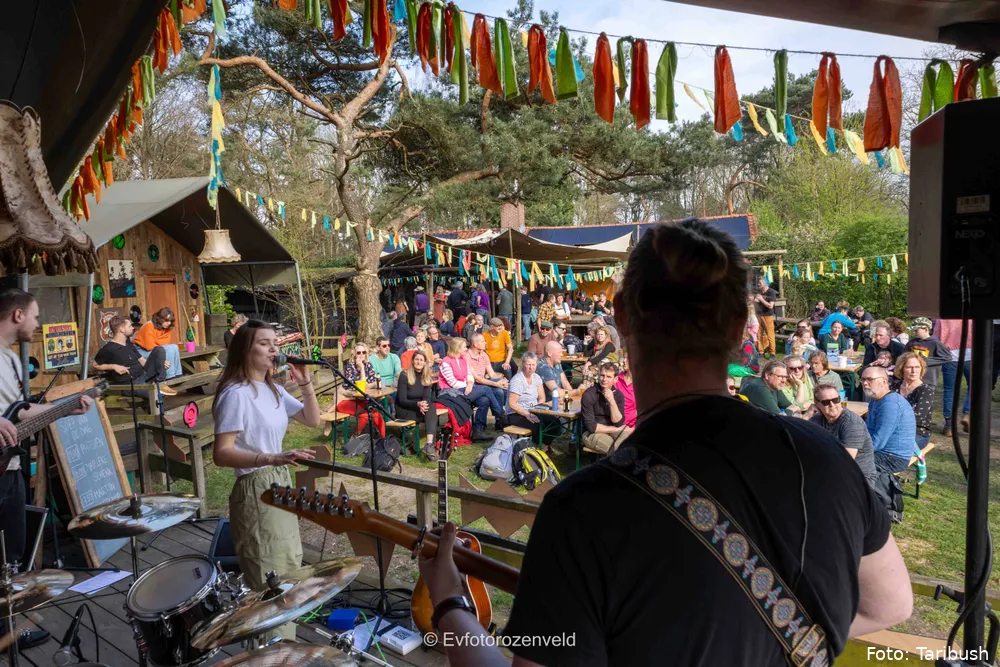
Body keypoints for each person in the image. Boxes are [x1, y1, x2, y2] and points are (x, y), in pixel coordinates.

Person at [417, 218, 909, 666]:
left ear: (621, 317)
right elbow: (891, 603)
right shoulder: (826, 457)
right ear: (740, 327)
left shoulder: (582, 511)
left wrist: (450, 602)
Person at [212, 319, 320, 641]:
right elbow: (221, 454)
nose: (274, 349)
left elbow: (313, 420)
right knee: (269, 573)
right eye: (264, 343)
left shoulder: (274, 390)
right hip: (255, 484)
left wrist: (305, 382)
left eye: (275, 342)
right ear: (245, 350)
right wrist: (269, 457)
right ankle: (270, 650)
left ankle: (283, 647)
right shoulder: (236, 394)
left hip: (279, 480)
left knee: (289, 564)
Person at [0, 289, 92, 650]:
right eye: (36, 316)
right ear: (18, 315)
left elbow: (19, 412)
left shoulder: (11, 360)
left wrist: (67, 408)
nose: (38, 324)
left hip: (9, 469)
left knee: (11, 555)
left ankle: (6, 629)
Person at [810, 384, 878, 487]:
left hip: (858, 478)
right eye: (826, 402)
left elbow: (845, 461)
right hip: (831, 471)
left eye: (836, 400)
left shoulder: (852, 423)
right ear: (817, 404)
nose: (832, 405)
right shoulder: (817, 419)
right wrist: (808, 414)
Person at [92, 315, 178, 396]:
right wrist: (114, 366)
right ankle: (158, 389)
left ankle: (161, 383)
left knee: (159, 349)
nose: (133, 328)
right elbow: (95, 365)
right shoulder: (108, 348)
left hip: (144, 375)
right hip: (131, 384)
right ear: (122, 329)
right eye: (129, 326)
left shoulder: (128, 343)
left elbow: (142, 360)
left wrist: (160, 364)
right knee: (156, 394)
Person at [861, 366, 916, 474]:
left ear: (884, 381)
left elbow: (878, 442)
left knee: (846, 463)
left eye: (870, 379)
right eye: (863, 379)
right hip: (881, 452)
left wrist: (853, 450)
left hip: (893, 458)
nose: (865, 383)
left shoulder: (890, 404)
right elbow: (868, 431)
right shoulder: (875, 399)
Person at [439, 337, 493, 440]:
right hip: (451, 393)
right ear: (457, 348)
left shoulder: (463, 359)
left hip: (465, 389)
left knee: (484, 400)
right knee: (486, 389)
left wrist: (470, 384)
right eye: (464, 347)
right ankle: (500, 414)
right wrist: (467, 385)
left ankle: (478, 430)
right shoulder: (445, 362)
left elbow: (469, 375)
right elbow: (453, 383)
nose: (466, 349)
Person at [505, 353, 560, 449]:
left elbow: (542, 398)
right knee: (539, 426)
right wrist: (527, 414)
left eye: (533, 365)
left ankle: (544, 446)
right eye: (528, 365)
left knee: (556, 423)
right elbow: (512, 404)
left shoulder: (536, 377)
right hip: (516, 413)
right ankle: (534, 448)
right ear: (523, 364)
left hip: (533, 410)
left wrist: (537, 410)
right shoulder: (517, 380)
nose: (531, 367)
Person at [395, 350, 443, 459]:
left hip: (419, 407)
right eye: (416, 359)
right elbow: (402, 400)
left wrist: (423, 404)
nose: (419, 362)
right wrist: (418, 404)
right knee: (431, 412)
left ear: (425, 362)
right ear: (412, 361)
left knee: (431, 407)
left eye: (421, 360)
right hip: (405, 409)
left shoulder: (426, 376)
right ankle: (430, 448)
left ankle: (429, 444)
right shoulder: (404, 375)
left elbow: (426, 397)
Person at [580, 363, 632, 454]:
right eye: (602, 375)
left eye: (609, 377)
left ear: (615, 379)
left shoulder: (619, 395)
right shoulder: (589, 394)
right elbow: (591, 427)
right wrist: (617, 429)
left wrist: (611, 401)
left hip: (612, 429)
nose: (604, 379)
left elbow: (618, 422)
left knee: (629, 440)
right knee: (617, 448)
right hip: (592, 433)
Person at [465, 334, 508, 437]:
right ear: (475, 344)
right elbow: (477, 379)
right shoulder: (467, 357)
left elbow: (491, 374)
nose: (485, 343)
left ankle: (499, 420)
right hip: (472, 385)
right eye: (483, 341)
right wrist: (496, 384)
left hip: (483, 383)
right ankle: (500, 417)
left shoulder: (484, 355)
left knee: (503, 388)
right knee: (496, 391)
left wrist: (501, 381)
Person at [339, 343, 385, 438]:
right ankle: (355, 436)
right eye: (358, 352)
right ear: (354, 354)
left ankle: (383, 440)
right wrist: (362, 370)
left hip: (361, 400)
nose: (361, 355)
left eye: (363, 352)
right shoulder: (350, 367)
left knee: (377, 415)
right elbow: (361, 388)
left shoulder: (368, 364)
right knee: (365, 415)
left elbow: (373, 383)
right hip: (346, 400)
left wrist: (367, 384)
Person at [935, 319, 972, 436]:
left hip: (949, 356)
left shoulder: (944, 318)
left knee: (949, 390)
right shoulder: (972, 316)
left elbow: (936, 337)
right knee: (975, 386)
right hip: (970, 355)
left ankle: (949, 426)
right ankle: (967, 413)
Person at [894, 352, 934, 449]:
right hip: (892, 429)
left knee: (892, 446)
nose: (914, 371)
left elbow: (917, 418)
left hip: (917, 433)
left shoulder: (925, 391)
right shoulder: (894, 387)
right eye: (909, 367)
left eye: (917, 367)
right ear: (901, 368)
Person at [132, 307, 181, 379]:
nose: (169, 323)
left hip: (156, 350)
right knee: (168, 349)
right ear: (160, 318)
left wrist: (157, 342)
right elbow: (149, 346)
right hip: (141, 351)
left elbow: (165, 344)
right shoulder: (149, 325)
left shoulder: (167, 328)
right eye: (166, 320)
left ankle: (177, 374)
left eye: (170, 321)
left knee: (174, 346)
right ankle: (169, 377)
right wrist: (160, 344)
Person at [904, 317, 950, 389]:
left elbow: (947, 358)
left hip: (928, 380)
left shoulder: (935, 343)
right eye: (913, 330)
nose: (913, 332)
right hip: (912, 378)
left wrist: (926, 361)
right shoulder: (912, 342)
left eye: (916, 330)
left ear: (926, 329)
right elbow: (904, 356)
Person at [752, 277, 778, 358]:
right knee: (758, 334)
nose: (758, 284)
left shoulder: (771, 292)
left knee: (770, 335)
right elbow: (755, 301)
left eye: (760, 283)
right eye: (758, 283)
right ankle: (761, 352)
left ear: (765, 283)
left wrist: (761, 299)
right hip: (758, 315)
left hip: (768, 315)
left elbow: (770, 306)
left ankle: (772, 352)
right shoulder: (758, 291)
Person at [614, 354, 636, 427]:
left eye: (627, 358)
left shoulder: (641, 384)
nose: (624, 360)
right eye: (624, 358)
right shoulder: (616, 379)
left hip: (632, 426)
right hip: (614, 423)